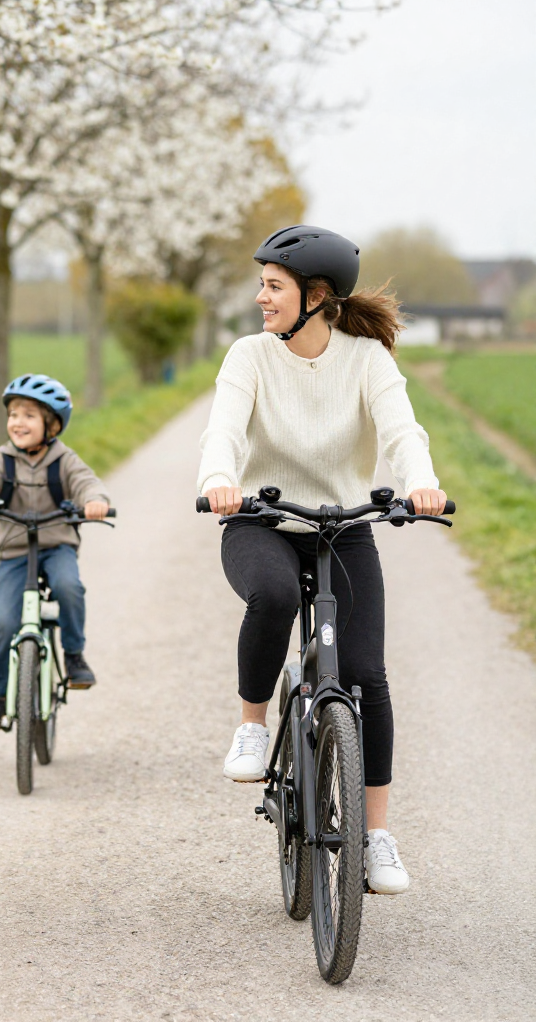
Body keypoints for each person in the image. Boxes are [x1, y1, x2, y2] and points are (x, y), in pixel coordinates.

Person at [197, 225, 446, 895]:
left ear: (317, 296)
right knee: (274, 596)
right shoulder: (249, 357)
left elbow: (401, 429)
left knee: (365, 671)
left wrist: (420, 481)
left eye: (272, 287)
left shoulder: (367, 361)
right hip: (260, 522)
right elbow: (223, 427)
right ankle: (253, 728)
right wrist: (221, 478)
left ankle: (376, 836)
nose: (260, 298)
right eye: (262, 286)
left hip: (343, 529)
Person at [0, 375, 110, 728]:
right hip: (14, 549)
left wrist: (95, 501)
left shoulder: (64, 459)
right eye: (13, 414)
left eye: (28, 415)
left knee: (70, 588)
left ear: (51, 425)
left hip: (57, 546)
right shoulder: (3, 459)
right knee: (2, 622)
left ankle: (73, 656)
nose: (18, 422)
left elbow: (88, 483)